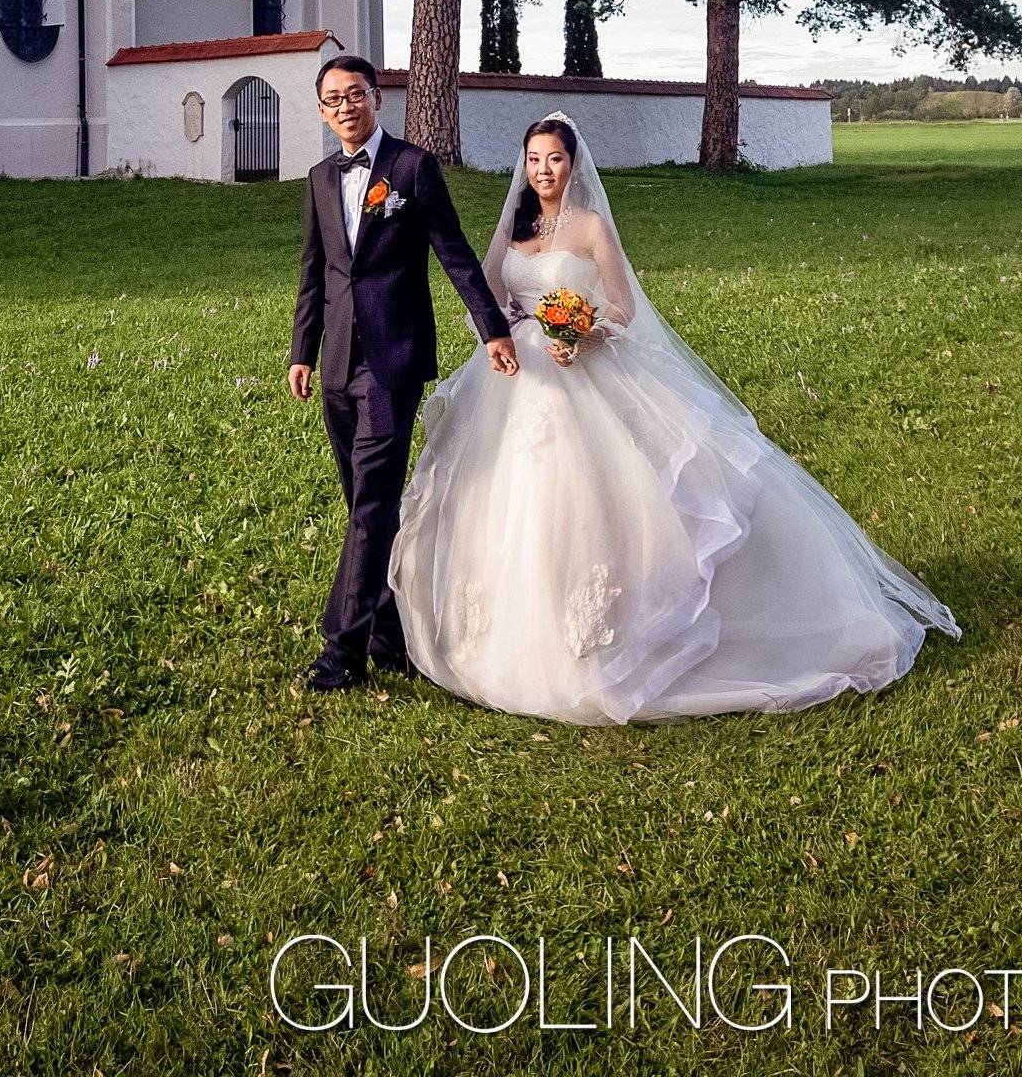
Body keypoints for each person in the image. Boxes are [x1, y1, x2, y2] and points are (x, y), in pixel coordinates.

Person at [389, 115, 958, 722]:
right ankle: (504, 634)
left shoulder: (591, 226)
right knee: (504, 496)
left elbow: (624, 306)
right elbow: (495, 293)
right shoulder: (514, 226)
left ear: (572, 165)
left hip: (579, 366)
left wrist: (583, 331)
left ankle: (611, 637)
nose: (542, 171)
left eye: (553, 159)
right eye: (532, 160)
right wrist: (513, 327)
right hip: (517, 374)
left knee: (586, 497)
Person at [284, 52, 516, 692]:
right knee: (364, 501)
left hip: (393, 360)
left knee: (374, 501)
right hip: (336, 362)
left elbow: (455, 253)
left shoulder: (412, 168)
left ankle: (342, 650)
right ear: (324, 110)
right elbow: (315, 272)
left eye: (354, 95)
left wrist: (492, 328)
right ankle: (389, 631)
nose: (344, 108)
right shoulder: (318, 178)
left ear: (376, 98)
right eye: (331, 100)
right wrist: (303, 350)